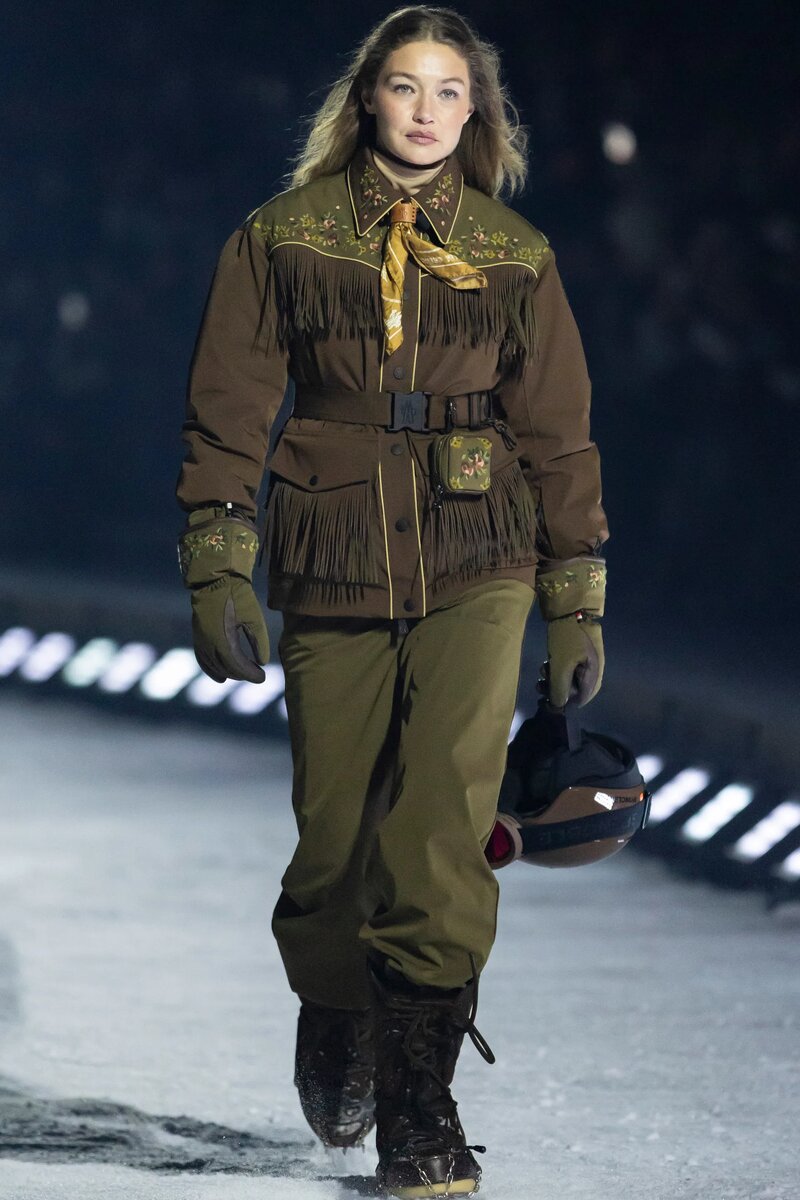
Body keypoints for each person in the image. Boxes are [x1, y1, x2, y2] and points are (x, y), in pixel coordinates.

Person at [175, 6, 608, 1196]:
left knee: (440, 825)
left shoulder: (514, 254)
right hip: (332, 546)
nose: (425, 110)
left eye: (448, 91)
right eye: (406, 87)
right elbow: (227, 408)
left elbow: (558, 433)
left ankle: (420, 1106)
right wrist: (217, 562)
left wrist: (574, 595)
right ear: (367, 97)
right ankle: (333, 1003)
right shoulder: (282, 236)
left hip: (482, 550)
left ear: (476, 113)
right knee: (334, 841)